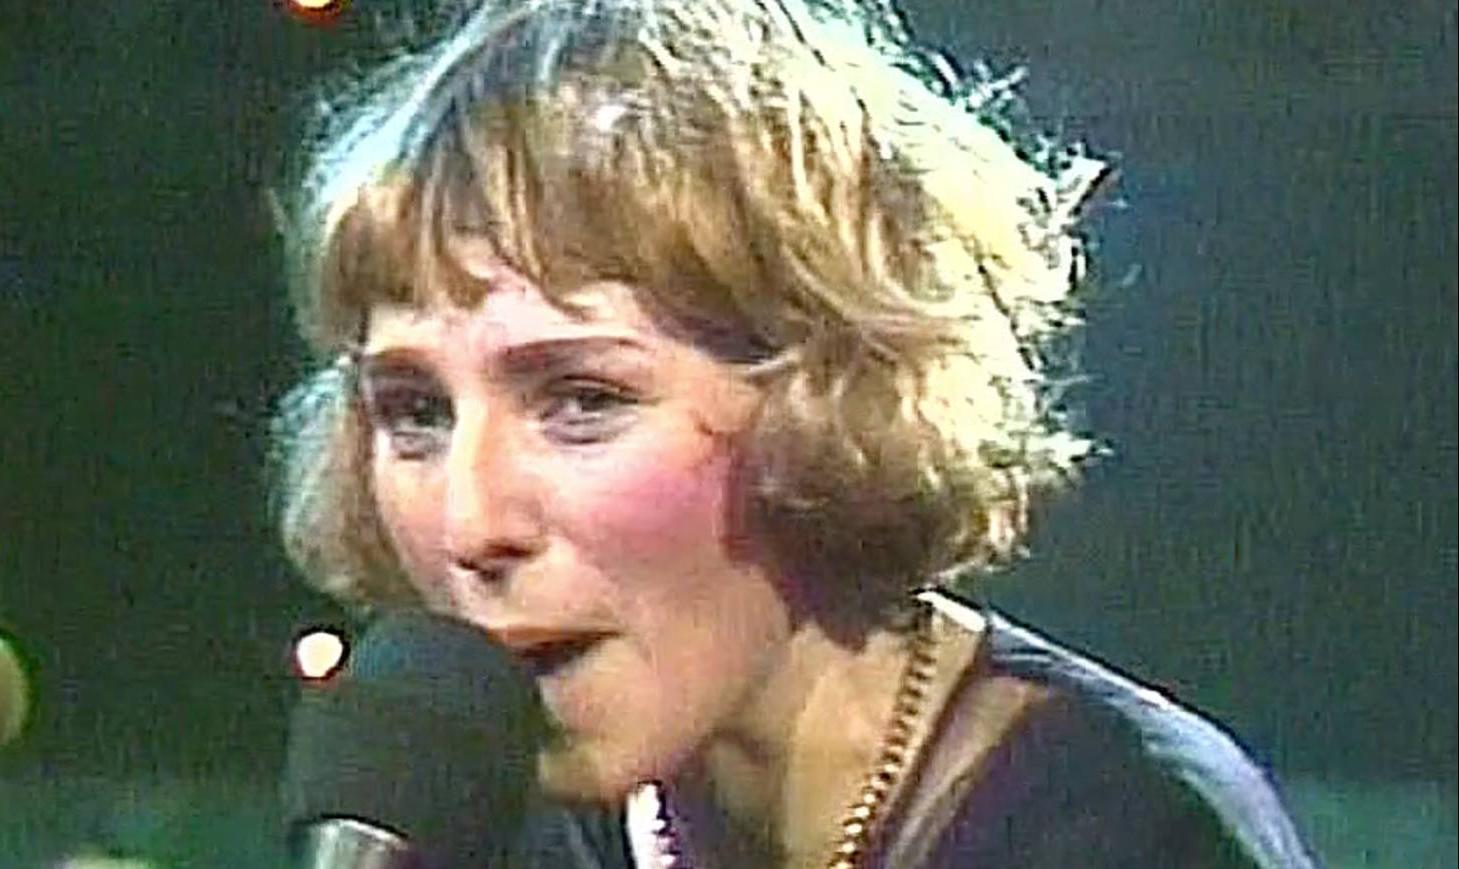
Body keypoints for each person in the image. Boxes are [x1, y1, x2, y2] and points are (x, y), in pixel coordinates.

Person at [269, 0, 1321, 866]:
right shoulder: (485, 823)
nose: (470, 522)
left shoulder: (1122, 833)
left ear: (828, 394)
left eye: (581, 400)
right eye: (415, 412)